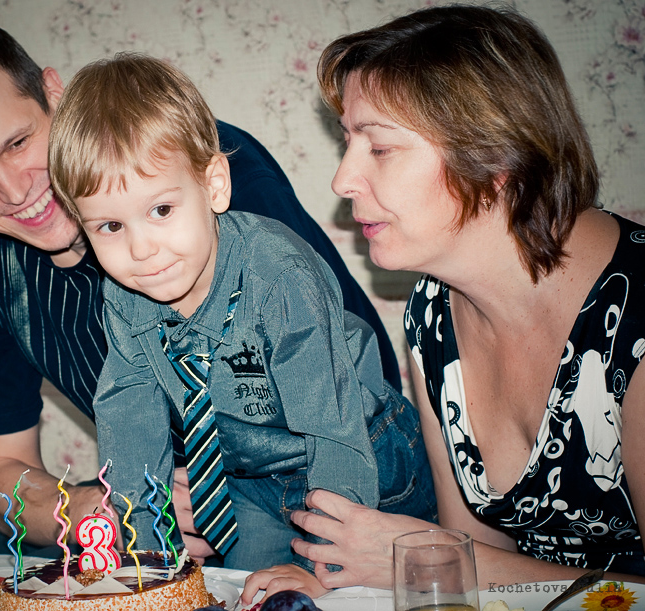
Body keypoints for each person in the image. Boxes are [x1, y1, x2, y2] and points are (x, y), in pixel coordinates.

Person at [0, 17, 404, 558]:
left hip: (315, 476)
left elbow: (352, 388)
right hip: (140, 500)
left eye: (18, 143)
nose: (15, 191)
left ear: (54, 94)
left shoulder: (185, 163)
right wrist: (98, 511)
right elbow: (0, 475)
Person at [243, 3, 645, 600]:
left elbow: (466, 560)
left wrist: (416, 555)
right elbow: (476, 565)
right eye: (349, 142)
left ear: (495, 156)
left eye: (379, 147)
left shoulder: (636, 311)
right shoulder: (432, 312)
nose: (342, 180)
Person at [47, 53, 436, 582]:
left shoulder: (280, 276)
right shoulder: (124, 297)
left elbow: (332, 427)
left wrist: (322, 566)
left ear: (214, 185)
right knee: (245, 591)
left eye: (161, 210)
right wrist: (147, 557)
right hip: (251, 478)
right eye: (110, 226)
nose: (140, 250)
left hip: (360, 461)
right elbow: (130, 424)